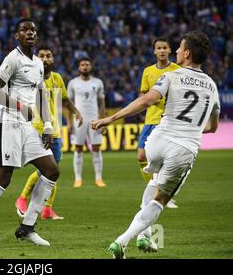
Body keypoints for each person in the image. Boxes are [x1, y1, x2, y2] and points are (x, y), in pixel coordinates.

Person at [92, 31, 220, 259]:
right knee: (161, 199)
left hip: (158, 140)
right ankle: (121, 242)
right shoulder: (211, 85)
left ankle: (144, 235)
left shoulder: (172, 76)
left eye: (180, 48)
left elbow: (146, 101)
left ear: (187, 53)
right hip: (183, 149)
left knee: (153, 182)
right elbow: (212, 127)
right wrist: (191, 128)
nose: (177, 51)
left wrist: (111, 119)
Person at [0, 18, 60, 249]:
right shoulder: (13, 58)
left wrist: (47, 125)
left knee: (51, 170)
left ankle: (26, 228)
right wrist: (20, 107)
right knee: (3, 177)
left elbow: (41, 96)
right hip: (7, 120)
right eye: (25, 30)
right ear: (17, 35)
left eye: (33, 30)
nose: (30, 33)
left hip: (26, 125)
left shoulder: (37, 63)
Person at [15, 46, 83, 220]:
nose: (45, 59)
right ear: (37, 58)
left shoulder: (57, 78)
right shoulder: (30, 78)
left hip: (54, 130)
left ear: (53, 59)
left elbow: (65, 100)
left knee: (53, 171)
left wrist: (76, 112)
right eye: (42, 56)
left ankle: (47, 209)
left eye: (48, 56)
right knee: (47, 169)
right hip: (35, 128)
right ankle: (22, 198)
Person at [138, 38, 180, 210]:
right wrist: (151, 100)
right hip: (151, 119)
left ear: (169, 50)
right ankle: (157, 189)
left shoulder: (177, 70)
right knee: (141, 157)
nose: (162, 50)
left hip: (169, 120)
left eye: (164, 47)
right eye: (158, 48)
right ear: (154, 51)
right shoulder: (148, 71)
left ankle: (163, 194)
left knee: (165, 161)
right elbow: (143, 94)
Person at [67, 58, 107, 188]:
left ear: (91, 67)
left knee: (96, 147)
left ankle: (98, 178)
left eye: (87, 65)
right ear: (79, 67)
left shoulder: (98, 82)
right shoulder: (73, 83)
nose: (85, 67)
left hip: (94, 119)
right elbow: (69, 104)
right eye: (82, 65)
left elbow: (101, 103)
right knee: (78, 148)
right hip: (78, 120)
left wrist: (103, 120)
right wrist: (68, 122)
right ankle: (78, 179)